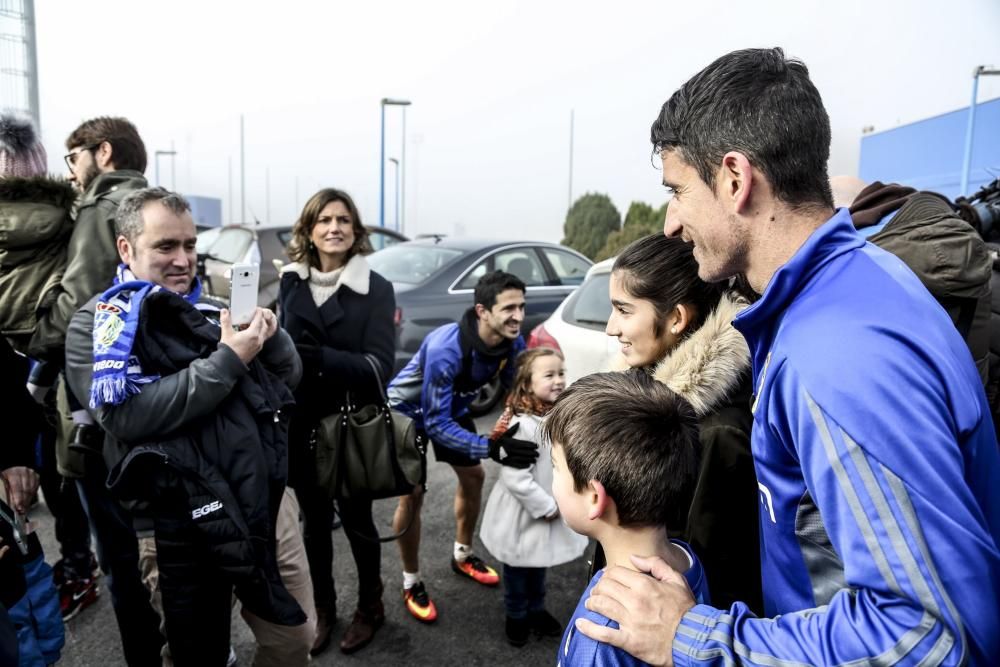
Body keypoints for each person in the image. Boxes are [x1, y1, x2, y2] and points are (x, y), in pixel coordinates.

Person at [577, 47, 1000, 666]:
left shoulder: (839, 353)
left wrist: (693, 638)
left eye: (677, 191)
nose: (670, 223)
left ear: (733, 178)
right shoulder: (852, 283)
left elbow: (925, 637)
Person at [64, 187, 315, 666]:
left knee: (294, 639)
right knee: (199, 653)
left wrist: (270, 334)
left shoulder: (212, 307)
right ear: (126, 248)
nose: (182, 260)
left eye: (190, 245)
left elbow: (285, 381)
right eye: (165, 247)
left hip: (263, 497)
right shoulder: (98, 324)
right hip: (173, 516)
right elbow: (126, 416)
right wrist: (228, 359)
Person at [604, 233, 760, 612]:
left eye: (624, 311)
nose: (611, 327)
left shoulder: (717, 432)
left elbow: (715, 582)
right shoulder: (646, 389)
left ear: (675, 318)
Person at [278, 188, 396, 655]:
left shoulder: (377, 288)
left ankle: (372, 606)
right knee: (313, 528)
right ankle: (322, 609)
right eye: (324, 220)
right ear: (309, 230)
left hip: (350, 426)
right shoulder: (290, 283)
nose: (334, 228)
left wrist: (319, 357)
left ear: (356, 229)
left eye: (344, 219)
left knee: (359, 524)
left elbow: (379, 366)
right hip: (300, 423)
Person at [387, 271, 539, 622]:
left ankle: (462, 555)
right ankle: (411, 581)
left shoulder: (512, 342)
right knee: (412, 494)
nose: (518, 315)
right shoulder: (446, 348)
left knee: (473, 477)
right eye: (509, 308)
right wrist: (490, 446)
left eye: (522, 306)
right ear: (483, 311)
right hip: (408, 415)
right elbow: (436, 424)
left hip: (449, 410)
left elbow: (518, 393)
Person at [0, 111, 101, 623]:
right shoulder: (71, 217)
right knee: (65, 479)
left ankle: (56, 578)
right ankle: (79, 568)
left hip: (11, 368)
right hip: (56, 366)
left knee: (21, 496)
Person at [543, 371, 710, 667]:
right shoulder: (684, 561)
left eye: (556, 467)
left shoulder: (600, 636)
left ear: (595, 498)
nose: (553, 479)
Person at [479, 347, 587, 646]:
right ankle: (516, 615)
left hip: (548, 507)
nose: (558, 380)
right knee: (517, 569)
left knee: (538, 565)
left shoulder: (556, 415)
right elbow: (515, 477)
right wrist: (547, 506)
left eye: (561, 373)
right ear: (527, 384)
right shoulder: (523, 425)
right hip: (524, 512)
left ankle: (536, 610)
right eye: (549, 375)